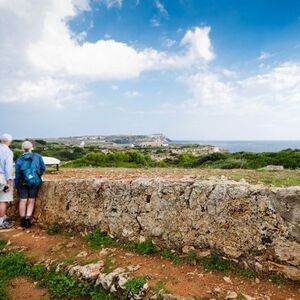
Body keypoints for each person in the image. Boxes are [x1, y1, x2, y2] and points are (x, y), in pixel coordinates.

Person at [15, 141, 46, 228]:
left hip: (22, 182)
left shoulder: (19, 159)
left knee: (23, 200)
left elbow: (17, 174)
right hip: (34, 182)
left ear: (22, 149)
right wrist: (36, 176)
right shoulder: (37, 157)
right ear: (31, 148)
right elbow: (43, 168)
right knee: (31, 200)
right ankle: (28, 219)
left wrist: (17, 185)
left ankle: (22, 220)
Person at [0, 133, 14, 229]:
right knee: (2, 200)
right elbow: (8, 168)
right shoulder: (8, 152)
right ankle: (1, 221)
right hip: (2, 177)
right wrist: (9, 182)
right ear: (10, 141)